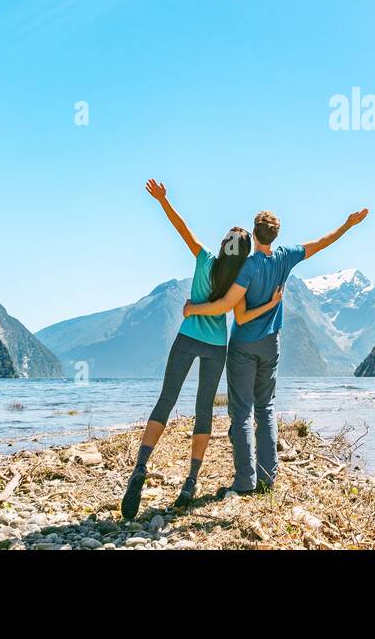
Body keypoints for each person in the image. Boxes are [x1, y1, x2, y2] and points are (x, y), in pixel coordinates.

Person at [120, 179, 283, 521]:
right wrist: (270, 304)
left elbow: (181, 227)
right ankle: (191, 481)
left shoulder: (204, 258)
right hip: (216, 347)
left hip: (187, 338)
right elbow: (235, 312)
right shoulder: (241, 274)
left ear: (223, 244)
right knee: (204, 408)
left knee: (166, 399)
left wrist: (164, 200)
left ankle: (140, 466)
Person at [184, 206, 368, 495]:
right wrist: (347, 225)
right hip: (271, 345)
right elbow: (320, 243)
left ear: (254, 233)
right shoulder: (285, 258)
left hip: (244, 345)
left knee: (243, 413)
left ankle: (245, 481)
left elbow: (240, 316)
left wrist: (193, 309)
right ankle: (268, 478)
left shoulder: (245, 267)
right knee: (266, 408)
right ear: (275, 235)